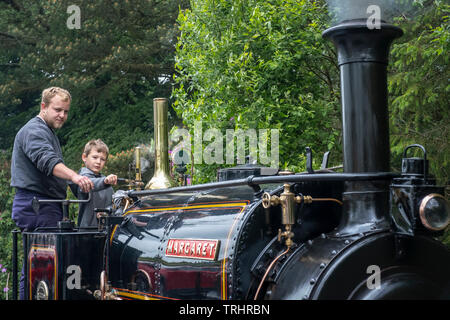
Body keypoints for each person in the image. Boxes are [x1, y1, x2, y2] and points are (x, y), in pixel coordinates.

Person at [10, 86, 94, 299]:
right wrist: (75, 177)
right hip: (38, 206)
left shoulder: (48, 133)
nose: (62, 115)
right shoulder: (34, 131)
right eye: (58, 110)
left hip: (44, 205)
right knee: (42, 273)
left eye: (66, 111)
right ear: (43, 107)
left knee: (34, 271)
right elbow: (47, 161)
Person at [71, 139, 117, 227]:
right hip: (87, 232)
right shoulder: (82, 178)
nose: (98, 162)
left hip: (106, 231)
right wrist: (105, 182)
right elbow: (91, 183)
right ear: (84, 157)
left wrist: (106, 211)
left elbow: (112, 205)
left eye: (102, 159)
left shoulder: (107, 184)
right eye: (95, 157)